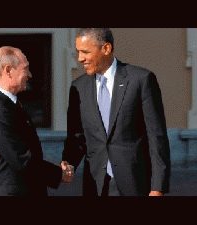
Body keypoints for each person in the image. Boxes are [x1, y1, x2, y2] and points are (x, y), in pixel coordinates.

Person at [61, 28, 171, 196]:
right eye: (78, 52)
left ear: (106, 49)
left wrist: (158, 187)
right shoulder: (78, 87)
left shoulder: (140, 80)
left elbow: (157, 137)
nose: (80, 58)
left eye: (85, 52)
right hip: (96, 185)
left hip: (135, 184)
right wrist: (68, 163)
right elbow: (76, 138)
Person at [0, 46, 66, 196]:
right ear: (8, 70)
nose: (30, 75)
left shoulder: (10, 104)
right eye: (25, 69)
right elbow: (21, 160)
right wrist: (60, 174)